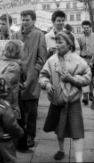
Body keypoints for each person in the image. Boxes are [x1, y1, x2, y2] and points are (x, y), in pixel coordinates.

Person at [39, 30, 91, 163]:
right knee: (59, 128)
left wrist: (72, 78)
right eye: (56, 41)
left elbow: (87, 77)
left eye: (60, 42)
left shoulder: (79, 61)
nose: (57, 44)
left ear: (69, 44)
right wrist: (46, 84)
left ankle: (79, 159)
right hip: (57, 100)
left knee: (77, 130)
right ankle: (61, 150)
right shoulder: (51, 60)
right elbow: (43, 75)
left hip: (72, 102)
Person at [12, 10, 47, 148]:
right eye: (23, 19)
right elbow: (11, 54)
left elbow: (42, 57)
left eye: (27, 20)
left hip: (32, 78)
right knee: (17, 109)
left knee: (31, 111)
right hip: (17, 76)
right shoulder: (15, 34)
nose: (25, 22)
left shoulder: (39, 35)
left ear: (33, 20)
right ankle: (20, 135)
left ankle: (30, 136)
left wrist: (35, 71)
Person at [0, 40, 29, 151]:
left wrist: (18, 83)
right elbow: (5, 83)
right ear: (18, 52)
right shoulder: (14, 66)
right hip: (9, 102)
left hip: (1, 101)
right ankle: (17, 147)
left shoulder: (1, 62)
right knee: (16, 125)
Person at [77, 20, 94, 105]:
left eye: (87, 28)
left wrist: (92, 61)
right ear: (82, 28)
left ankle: (91, 93)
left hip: (92, 59)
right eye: (84, 28)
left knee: (91, 78)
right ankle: (85, 95)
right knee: (84, 77)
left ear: (90, 28)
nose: (86, 29)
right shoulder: (80, 38)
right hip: (83, 59)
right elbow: (78, 49)